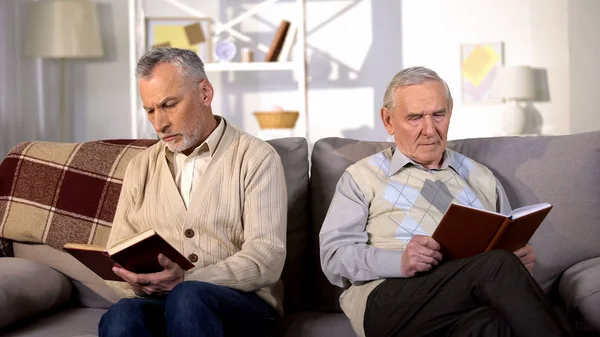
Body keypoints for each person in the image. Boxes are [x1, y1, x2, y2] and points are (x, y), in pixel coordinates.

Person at [319, 67, 572, 337]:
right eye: (415, 118)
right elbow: (334, 257)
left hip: (466, 298)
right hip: (388, 299)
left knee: (491, 324)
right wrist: (399, 261)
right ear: (388, 120)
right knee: (497, 265)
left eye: (438, 115)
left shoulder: (480, 176)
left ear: (450, 113)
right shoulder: (362, 176)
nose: (429, 130)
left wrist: (518, 261)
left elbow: (506, 240)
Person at [98, 47, 287, 337]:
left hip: (244, 306)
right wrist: (135, 281)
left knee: (188, 297)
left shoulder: (257, 158)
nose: (159, 124)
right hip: (159, 302)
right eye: (150, 110)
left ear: (205, 93)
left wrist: (187, 279)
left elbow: (266, 258)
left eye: (169, 105)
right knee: (122, 314)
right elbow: (117, 258)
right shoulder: (139, 167)